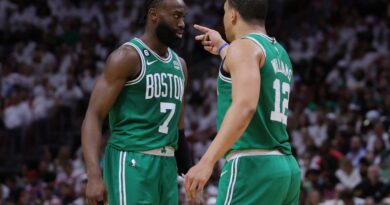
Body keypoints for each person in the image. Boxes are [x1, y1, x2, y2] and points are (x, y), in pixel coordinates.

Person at [184, 0, 301, 204]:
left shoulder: (243, 47)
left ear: (233, 16)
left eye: (224, 12)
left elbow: (245, 107)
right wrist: (222, 47)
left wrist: (206, 162)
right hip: (285, 168)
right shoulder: (279, 52)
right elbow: (247, 61)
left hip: (251, 166)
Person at [81, 0, 193, 204]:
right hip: (131, 160)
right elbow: (94, 116)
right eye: (176, 16)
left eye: (184, 17)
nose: (182, 23)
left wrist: (192, 177)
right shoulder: (127, 57)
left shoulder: (180, 65)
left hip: (167, 164)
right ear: (154, 15)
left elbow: (179, 129)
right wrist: (94, 176)